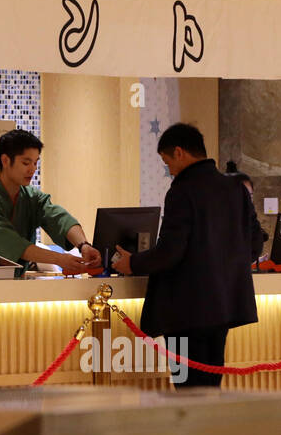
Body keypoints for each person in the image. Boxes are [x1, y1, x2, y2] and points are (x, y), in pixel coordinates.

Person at [111, 124, 263, 388]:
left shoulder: (182, 191)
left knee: (186, 388)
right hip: (224, 307)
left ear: (179, 153)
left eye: (167, 161)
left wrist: (132, 263)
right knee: (211, 382)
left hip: (184, 312)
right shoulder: (236, 189)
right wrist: (222, 264)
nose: (168, 169)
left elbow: (171, 252)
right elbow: (255, 244)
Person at [0, 129, 102, 277]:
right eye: (26, 162)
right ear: (5, 161)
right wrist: (60, 259)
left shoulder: (32, 197)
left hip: (18, 282)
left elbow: (58, 218)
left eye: (35, 162)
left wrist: (83, 245)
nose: (33, 169)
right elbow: (10, 244)